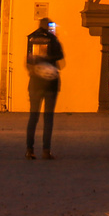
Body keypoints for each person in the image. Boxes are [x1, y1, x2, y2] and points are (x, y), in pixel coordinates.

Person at [25, 18, 64, 160]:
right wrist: (50, 58)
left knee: (33, 117)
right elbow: (60, 56)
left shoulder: (31, 38)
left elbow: (28, 61)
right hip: (50, 84)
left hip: (35, 83)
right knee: (48, 118)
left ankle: (30, 150)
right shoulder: (53, 39)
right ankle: (46, 150)